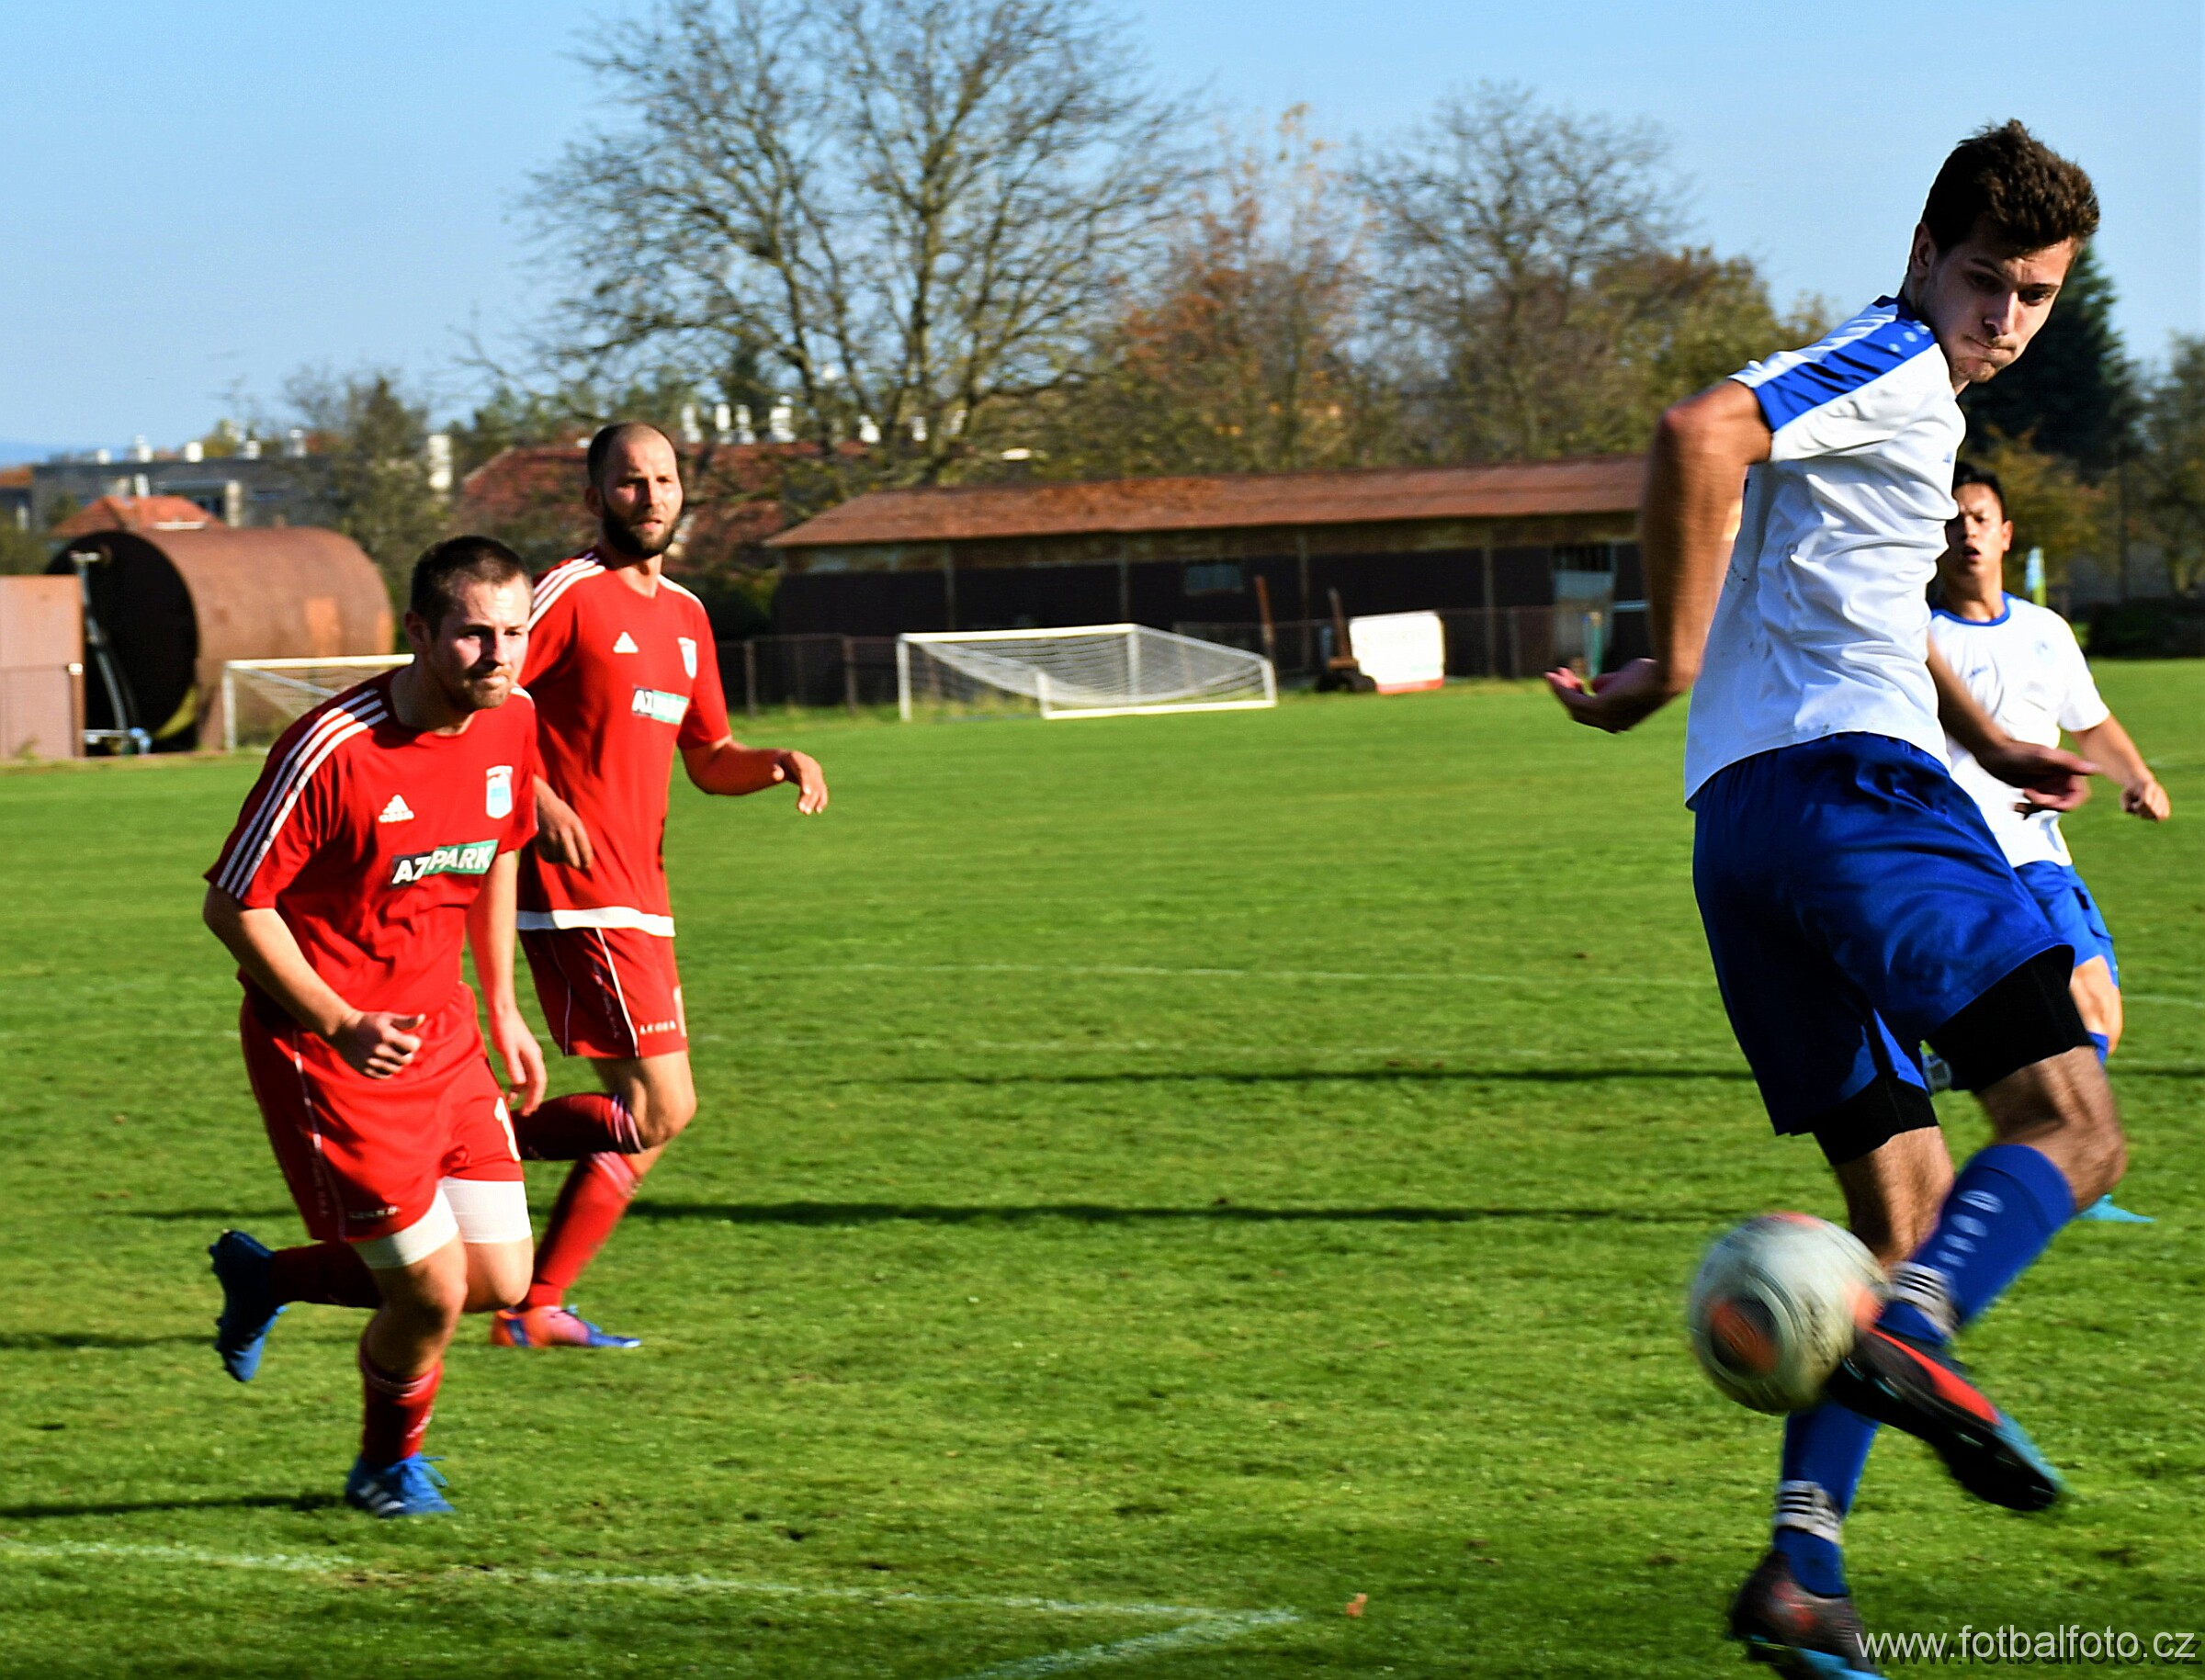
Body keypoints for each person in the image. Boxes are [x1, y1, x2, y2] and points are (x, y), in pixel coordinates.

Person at [1550, 122, 2120, 1675]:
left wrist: (1990, 733)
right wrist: (1668, 662)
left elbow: (1854, 589)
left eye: (2040, 294)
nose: (2007, 318)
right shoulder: (1895, 360)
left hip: (1741, 835)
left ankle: (1802, 1565)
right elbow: (1695, 434)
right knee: (2074, 1123)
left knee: (1908, 1217)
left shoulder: (1879, 390)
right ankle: (1911, 1343)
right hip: (1852, 805)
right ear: (1926, 252)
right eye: (1987, 279)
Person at [203, 536, 548, 1518]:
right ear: (419, 632)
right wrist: (340, 1020)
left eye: (514, 631)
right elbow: (234, 905)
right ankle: (384, 1468)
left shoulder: (514, 718)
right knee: (432, 1294)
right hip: (331, 1052)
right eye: (474, 633)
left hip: (445, 1034)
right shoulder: (331, 748)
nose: (498, 654)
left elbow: (499, 851)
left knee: (501, 1277)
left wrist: (504, 1005)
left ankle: (267, 1277)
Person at [488, 422, 828, 1350]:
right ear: (595, 496)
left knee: (656, 1117)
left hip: (643, 892)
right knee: (658, 1107)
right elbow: (483, 702)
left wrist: (775, 761)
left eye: (665, 480)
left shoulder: (686, 615)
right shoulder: (567, 592)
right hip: (576, 889)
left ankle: (532, 1307)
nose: (650, 497)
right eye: (631, 482)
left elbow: (709, 756)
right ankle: (460, 1145)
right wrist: (538, 798)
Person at [1928, 465, 2169, 1223]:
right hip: (1972, 860)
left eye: (1979, 517)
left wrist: (2136, 776)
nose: (1967, 530)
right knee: (2080, 1001)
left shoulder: (2044, 631)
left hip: (2043, 850)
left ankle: (1988, 1084)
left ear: (2005, 534)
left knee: (2102, 1012)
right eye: (1953, 519)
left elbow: (2090, 721)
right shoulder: (1920, 641)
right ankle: (2068, 1172)